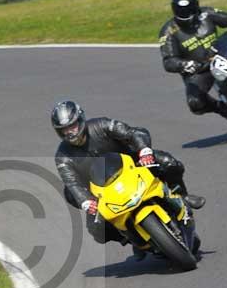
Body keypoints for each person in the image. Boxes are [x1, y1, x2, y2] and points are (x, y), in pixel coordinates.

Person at [51, 99, 205, 252]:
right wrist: (86, 201)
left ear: (81, 119)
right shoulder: (63, 156)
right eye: (64, 129)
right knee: (96, 230)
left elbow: (134, 133)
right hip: (103, 190)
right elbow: (72, 183)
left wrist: (144, 150)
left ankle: (182, 196)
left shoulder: (102, 125)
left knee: (169, 163)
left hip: (134, 164)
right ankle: (128, 237)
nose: (70, 131)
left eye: (72, 126)